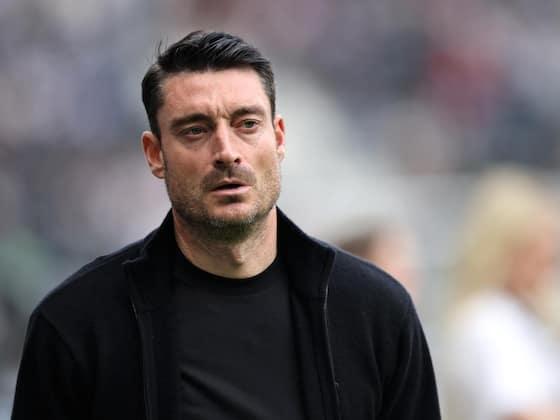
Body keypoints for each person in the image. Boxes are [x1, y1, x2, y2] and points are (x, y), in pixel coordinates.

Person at [11, 30, 440, 420]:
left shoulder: (374, 313)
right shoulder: (77, 325)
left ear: (279, 138)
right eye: (195, 130)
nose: (226, 151)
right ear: (155, 154)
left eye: (247, 124)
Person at [443, 167, 560, 420]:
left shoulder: (520, 316)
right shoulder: (488, 319)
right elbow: (520, 413)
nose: (549, 253)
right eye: (540, 242)